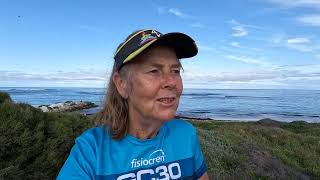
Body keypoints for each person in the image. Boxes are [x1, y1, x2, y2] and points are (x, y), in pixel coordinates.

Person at [57, 29, 209, 179]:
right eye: (154, 71)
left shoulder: (185, 134)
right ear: (122, 84)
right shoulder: (92, 150)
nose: (171, 82)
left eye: (175, 71)